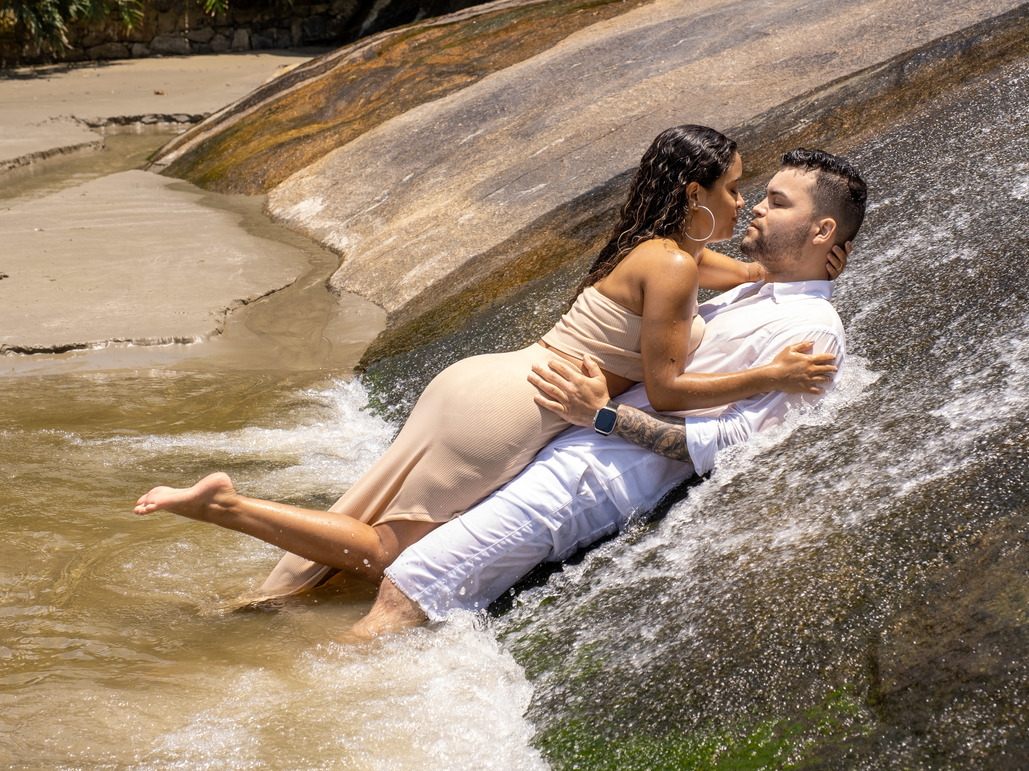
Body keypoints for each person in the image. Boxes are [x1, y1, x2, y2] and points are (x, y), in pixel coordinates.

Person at [133, 126, 846, 596]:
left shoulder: (665, 250)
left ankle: (257, 605)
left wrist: (803, 264)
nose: (742, 200)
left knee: (365, 513)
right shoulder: (676, 268)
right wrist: (771, 377)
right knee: (386, 550)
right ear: (694, 195)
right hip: (514, 411)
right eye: (731, 188)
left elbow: (753, 276)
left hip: (483, 385)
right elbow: (666, 386)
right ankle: (225, 506)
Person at [347, 146, 868, 637]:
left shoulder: (813, 332)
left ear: (822, 230)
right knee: (392, 559)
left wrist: (603, 417)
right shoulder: (754, 289)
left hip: (590, 482)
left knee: (407, 589)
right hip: (563, 448)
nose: (755, 206)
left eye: (777, 202)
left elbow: (735, 443)